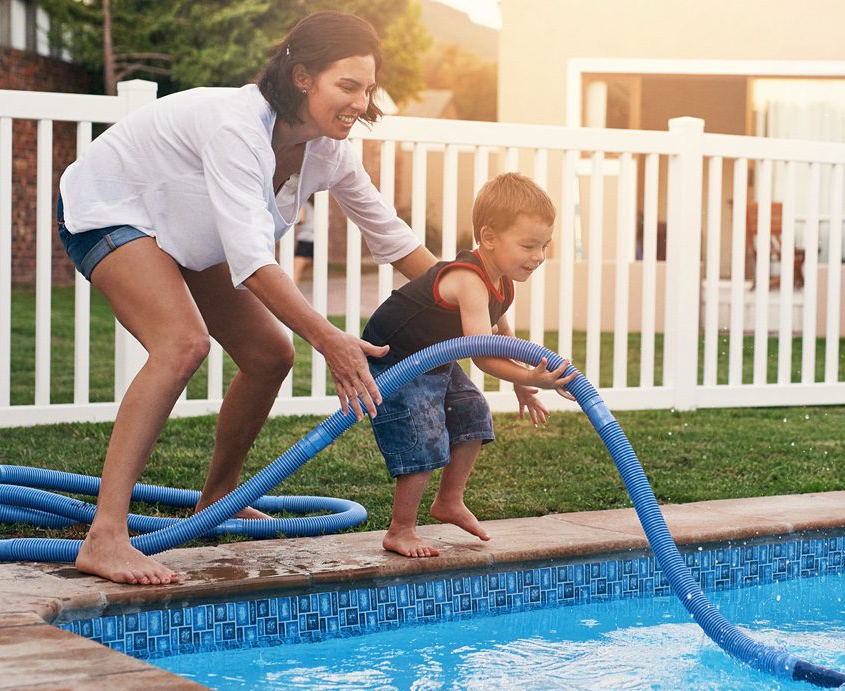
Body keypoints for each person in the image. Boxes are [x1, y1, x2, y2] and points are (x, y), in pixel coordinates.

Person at [55, 12, 438, 585]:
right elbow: (255, 265)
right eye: (348, 86)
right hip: (112, 208)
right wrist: (330, 340)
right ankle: (105, 536)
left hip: (189, 230)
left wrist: (480, 305)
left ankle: (217, 500)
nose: (361, 102)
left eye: (367, 88)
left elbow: (395, 241)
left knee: (269, 354)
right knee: (181, 344)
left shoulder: (329, 151)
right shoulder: (238, 126)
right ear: (304, 77)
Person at [361, 173, 573, 558]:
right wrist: (529, 375)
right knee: (424, 437)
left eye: (545, 245)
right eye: (528, 245)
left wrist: (521, 383)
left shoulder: (502, 281)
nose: (538, 256)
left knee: (474, 414)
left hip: (433, 358)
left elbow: (502, 337)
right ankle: (401, 529)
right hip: (394, 359)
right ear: (488, 237)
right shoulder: (469, 278)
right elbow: (480, 351)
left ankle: (449, 501)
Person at [291, 194, 315, 287]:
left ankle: (292, 289)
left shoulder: (303, 202)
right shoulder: (317, 205)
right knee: (318, 267)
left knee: (296, 271)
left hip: (306, 237)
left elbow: (301, 219)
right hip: (318, 238)